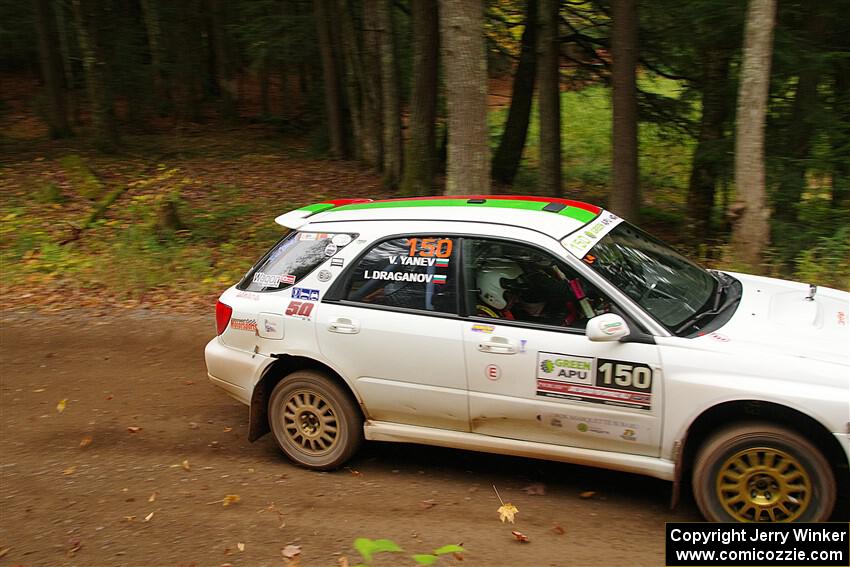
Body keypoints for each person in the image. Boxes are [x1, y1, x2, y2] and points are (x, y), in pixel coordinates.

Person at [475, 259, 585, 325]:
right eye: (512, 295)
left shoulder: (514, 310)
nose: (517, 299)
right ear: (493, 294)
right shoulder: (484, 319)